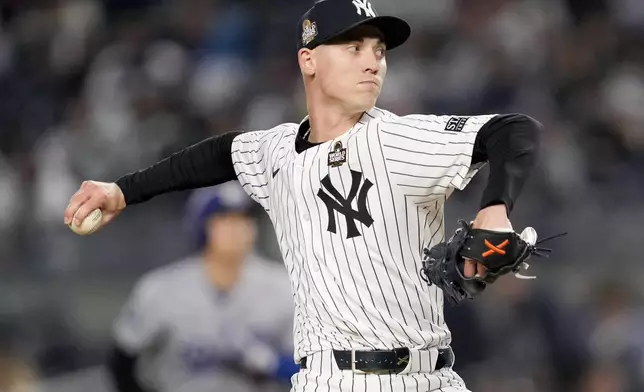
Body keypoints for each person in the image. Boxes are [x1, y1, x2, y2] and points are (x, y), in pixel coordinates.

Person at [65, 0, 543, 390]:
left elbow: (514, 131)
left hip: (426, 377)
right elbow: (216, 155)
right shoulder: (276, 152)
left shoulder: (398, 139)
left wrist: (494, 210)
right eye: (354, 46)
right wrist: (122, 191)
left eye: (378, 49)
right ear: (308, 59)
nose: (373, 60)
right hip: (327, 381)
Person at [106, 182, 297, 392]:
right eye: (223, 220)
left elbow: (319, 368)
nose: (236, 229)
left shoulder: (285, 287)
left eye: (244, 219)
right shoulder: (161, 289)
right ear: (201, 226)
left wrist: (275, 365)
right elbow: (122, 362)